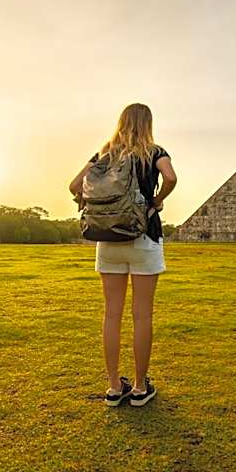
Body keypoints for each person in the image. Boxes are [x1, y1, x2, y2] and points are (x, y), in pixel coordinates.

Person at [68, 103, 177, 407]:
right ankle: (140, 387)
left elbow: (74, 186)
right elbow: (170, 178)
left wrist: (89, 201)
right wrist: (156, 201)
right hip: (143, 236)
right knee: (142, 315)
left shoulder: (104, 154)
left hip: (108, 239)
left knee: (111, 314)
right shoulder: (154, 152)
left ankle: (115, 387)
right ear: (148, 124)